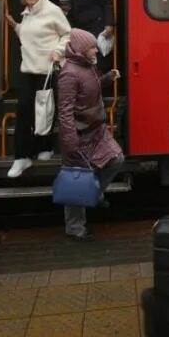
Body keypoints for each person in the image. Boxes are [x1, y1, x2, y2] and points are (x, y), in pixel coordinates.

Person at [57, 28, 124, 242]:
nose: (96, 50)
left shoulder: (87, 66)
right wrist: (70, 142)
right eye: (92, 47)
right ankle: (75, 228)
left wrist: (107, 78)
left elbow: (91, 87)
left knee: (116, 159)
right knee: (76, 180)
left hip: (96, 130)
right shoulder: (69, 74)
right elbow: (65, 112)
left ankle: (95, 191)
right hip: (79, 134)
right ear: (81, 50)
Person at [5, 0, 71, 176]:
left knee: (44, 112)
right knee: (26, 111)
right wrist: (16, 26)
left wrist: (58, 51)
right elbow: (29, 37)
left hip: (47, 70)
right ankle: (22, 157)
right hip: (29, 70)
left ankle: (45, 148)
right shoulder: (27, 14)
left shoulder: (52, 11)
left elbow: (68, 34)